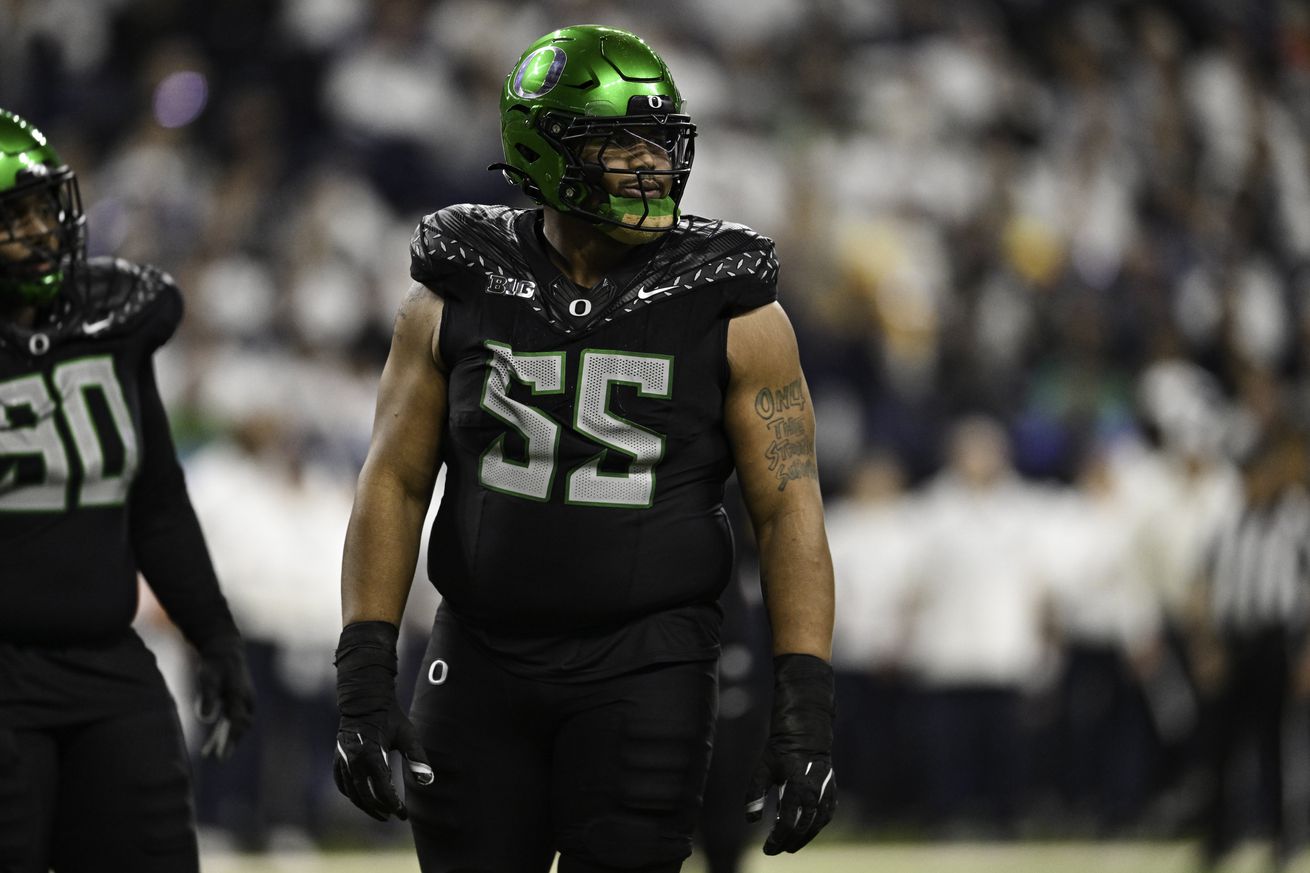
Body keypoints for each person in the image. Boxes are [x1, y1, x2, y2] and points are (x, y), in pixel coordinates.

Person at [333, 24, 837, 873]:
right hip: (480, 656)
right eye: (619, 142)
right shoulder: (453, 291)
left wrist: (807, 699)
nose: (649, 164)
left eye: (659, 140)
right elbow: (394, 479)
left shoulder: (738, 309)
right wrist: (364, 668)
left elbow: (788, 508)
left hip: (647, 664)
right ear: (545, 148)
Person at [0, 109, 255, 872]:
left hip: (107, 665)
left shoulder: (108, 324)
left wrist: (215, 635)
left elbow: (156, 502)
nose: (42, 230)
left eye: (46, 206)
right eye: (14, 217)